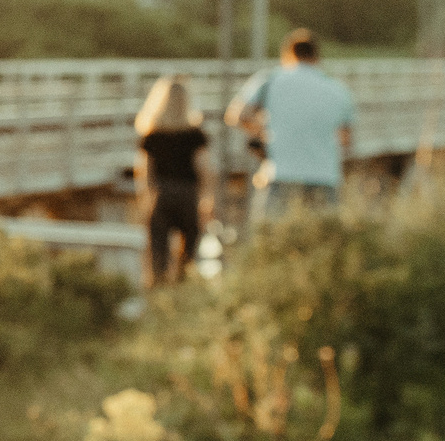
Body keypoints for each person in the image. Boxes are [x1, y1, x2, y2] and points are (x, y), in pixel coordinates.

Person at [225, 28, 358, 224]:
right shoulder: (338, 90)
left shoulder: (271, 80)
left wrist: (262, 134)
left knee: (273, 243)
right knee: (324, 243)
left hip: (281, 174)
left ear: (287, 54)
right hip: (324, 177)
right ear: (317, 56)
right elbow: (346, 140)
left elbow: (237, 115)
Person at [131, 75, 211, 287]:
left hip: (161, 195)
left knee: (157, 258)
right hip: (187, 195)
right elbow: (202, 169)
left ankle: (158, 300)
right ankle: (182, 297)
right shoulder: (195, 135)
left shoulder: (152, 134)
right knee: (188, 258)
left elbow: (145, 173)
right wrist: (206, 198)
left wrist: (146, 199)